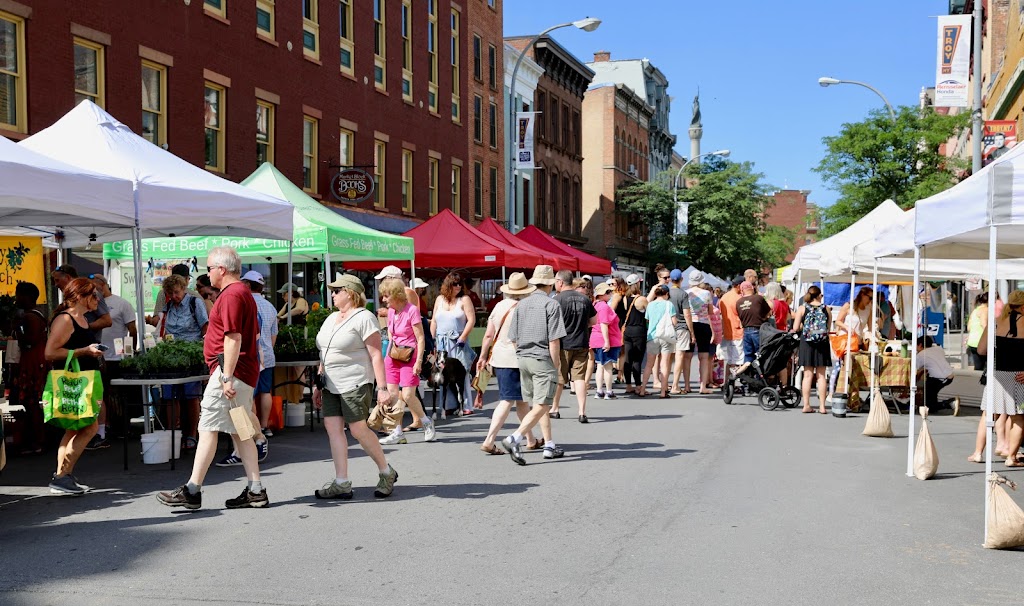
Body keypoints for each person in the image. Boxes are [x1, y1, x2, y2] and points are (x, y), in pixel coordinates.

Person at [158, 246, 268, 510]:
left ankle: (192, 490)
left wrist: (226, 376)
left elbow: (233, 337)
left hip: (229, 374)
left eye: (208, 268)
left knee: (207, 428)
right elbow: (248, 336)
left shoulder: (231, 295)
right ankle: (256, 490)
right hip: (240, 372)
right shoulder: (241, 293)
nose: (207, 273)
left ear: (221, 269)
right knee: (242, 433)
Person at [312, 274, 398, 499]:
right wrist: (318, 383)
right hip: (330, 382)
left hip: (355, 381)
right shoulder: (331, 318)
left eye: (336, 290)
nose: (332, 294)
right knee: (333, 428)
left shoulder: (364, 317)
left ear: (350, 293)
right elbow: (325, 350)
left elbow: (376, 354)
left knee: (358, 429)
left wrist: (382, 388)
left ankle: (386, 472)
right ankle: (342, 482)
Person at [500, 265, 567, 465]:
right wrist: (555, 365)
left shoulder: (521, 304)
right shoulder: (551, 305)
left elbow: (512, 337)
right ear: (550, 284)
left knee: (538, 404)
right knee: (543, 403)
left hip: (524, 359)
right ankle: (515, 438)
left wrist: (521, 353)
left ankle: (549, 445)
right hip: (542, 358)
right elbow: (554, 340)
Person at [44, 278, 105, 495]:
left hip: (82, 381)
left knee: (74, 428)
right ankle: (62, 476)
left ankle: (63, 476)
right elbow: (50, 353)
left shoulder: (82, 319)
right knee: (89, 427)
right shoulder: (66, 319)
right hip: (73, 381)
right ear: (80, 296)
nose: (98, 299)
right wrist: (84, 351)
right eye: (93, 295)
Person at [477, 273, 539, 454]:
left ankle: (531, 438)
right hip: (519, 358)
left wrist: (482, 356)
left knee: (520, 401)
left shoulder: (499, 306)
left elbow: (489, 334)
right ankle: (489, 440)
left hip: (500, 357)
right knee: (508, 400)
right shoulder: (526, 307)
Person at [378, 278, 436, 445]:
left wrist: (418, 361)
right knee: (393, 394)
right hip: (393, 356)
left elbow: (420, 338)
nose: (383, 299)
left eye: (386, 295)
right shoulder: (391, 312)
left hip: (410, 355)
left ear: (396, 295)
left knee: (409, 394)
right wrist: (388, 355)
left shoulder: (411, 310)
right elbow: (390, 334)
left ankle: (426, 422)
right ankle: (397, 432)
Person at [971, 290, 1024, 467]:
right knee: (1018, 417)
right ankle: (1011, 457)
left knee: (988, 414)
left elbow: (981, 350)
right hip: (1018, 376)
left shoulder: (994, 323)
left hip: (997, 374)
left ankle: (978, 453)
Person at [159, 274, 211, 453]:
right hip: (172, 355)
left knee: (191, 397)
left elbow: (205, 328)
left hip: (191, 355)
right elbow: (165, 330)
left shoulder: (194, 303)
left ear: (183, 289)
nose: (174, 296)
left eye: (176, 292)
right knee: (170, 396)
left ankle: (192, 434)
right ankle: (173, 434)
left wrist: (205, 353)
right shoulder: (168, 307)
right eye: (170, 293)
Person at [89, 274, 137, 448]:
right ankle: (105, 426)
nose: (92, 291)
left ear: (103, 285)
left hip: (117, 356)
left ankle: (122, 426)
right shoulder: (92, 304)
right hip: (99, 355)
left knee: (116, 393)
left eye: (94, 286)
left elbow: (132, 329)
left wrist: (130, 352)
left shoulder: (121, 303)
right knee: (103, 393)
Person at [551, 269, 596, 420]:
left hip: (563, 344)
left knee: (559, 379)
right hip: (581, 342)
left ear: (560, 282)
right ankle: (582, 412)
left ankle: (555, 408)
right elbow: (593, 321)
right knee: (579, 378)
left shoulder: (557, 300)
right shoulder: (584, 299)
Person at [430, 272, 476, 415]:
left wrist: (463, 337)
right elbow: (434, 321)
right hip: (442, 342)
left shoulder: (464, 299)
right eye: (455, 284)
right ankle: (448, 405)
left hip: (457, 340)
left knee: (461, 373)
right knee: (443, 373)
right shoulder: (440, 299)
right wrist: (432, 340)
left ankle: (466, 404)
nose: (458, 286)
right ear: (448, 285)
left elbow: (471, 320)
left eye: (459, 283)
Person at [10, 282, 48, 455]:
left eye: (18, 295)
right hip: (34, 361)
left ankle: (36, 441)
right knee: (30, 402)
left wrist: (16, 327)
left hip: (32, 363)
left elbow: (29, 341)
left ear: (27, 297)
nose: (16, 298)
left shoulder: (30, 317)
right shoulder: (36, 314)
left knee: (31, 402)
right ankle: (33, 439)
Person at [244, 271, 278, 437]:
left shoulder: (245, 303)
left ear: (248, 285)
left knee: (248, 394)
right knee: (265, 391)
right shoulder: (270, 307)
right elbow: (273, 335)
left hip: (251, 357)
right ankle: (265, 426)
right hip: (268, 356)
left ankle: (252, 431)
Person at [792, 285, 832, 414]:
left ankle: (806, 405)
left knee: (807, 375)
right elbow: (828, 328)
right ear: (819, 295)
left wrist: (806, 327)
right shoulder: (826, 308)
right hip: (822, 343)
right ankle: (822, 406)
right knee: (821, 376)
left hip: (807, 343)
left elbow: (796, 327)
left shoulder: (802, 308)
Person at [52, 264, 112, 340]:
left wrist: (82, 328)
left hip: (88, 345)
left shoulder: (91, 292)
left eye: (57, 280)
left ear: (67, 277)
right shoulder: (69, 297)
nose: (56, 285)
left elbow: (107, 321)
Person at [590, 282, 623, 406]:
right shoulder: (603, 307)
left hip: (596, 339)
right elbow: (604, 324)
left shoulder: (595, 305)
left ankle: (599, 391)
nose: (611, 294)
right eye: (608, 292)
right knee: (608, 367)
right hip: (605, 339)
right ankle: (608, 391)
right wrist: (607, 341)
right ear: (603, 294)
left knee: (600, 366)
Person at [643, 286, 676, 399]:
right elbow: (674, 321)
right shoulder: (669, 304)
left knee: (649, 364)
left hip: (652, 336)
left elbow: (647, 320)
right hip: (665, 336)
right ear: (666, 293)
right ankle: (663, 391)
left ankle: (642, 389)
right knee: (664, 364)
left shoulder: (650, 305)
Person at [684, 272, 715, 394]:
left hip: (690, 324)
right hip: (703, 325)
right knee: (704, 356)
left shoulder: (686, 293)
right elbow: (710, 311)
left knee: (687, 357)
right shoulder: (706, 293)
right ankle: (703, 386)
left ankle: (687, 386)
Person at [667, 269, 695, 395]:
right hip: (681, 328)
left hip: (668, 329)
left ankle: (664, 384)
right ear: (681, 279)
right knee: (679, 357)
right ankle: (675, 385)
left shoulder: (666, 293)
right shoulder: (683, 294)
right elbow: (687, 314)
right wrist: (692, 332)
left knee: (667, 358)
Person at [916, 336, 958, 415]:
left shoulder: (921, 355)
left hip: (939, 378)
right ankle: (935, 406)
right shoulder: (939, 349)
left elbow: (916, 369)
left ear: (920, 345)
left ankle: (950, 403)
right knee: (930, 393)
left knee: (928, 403)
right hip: (949, 375)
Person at [620, 276, 648, 396]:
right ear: (638, 284)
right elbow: (648, 315)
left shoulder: (625, 299)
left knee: (628, 358)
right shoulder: (642, 299)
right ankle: (638, 386)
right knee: (637, 360)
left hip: (627, 331)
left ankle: (628, 385)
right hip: (639, 331)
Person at [736, 281, 771, 372]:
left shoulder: (738, 302)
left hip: (746, 331)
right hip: (758, 330)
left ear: (742, 290)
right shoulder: (759, 298)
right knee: (760, 355)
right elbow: (768, 312)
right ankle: (759, 379)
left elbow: (740, 316)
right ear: (752, 288)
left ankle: (747, 380)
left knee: (748, 357)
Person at [718, 276, 745, 377]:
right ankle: (736, 382)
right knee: (739, 361)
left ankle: (727, 383)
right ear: (738, 286)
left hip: (728, 331)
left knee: (730, 361)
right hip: (738, 331)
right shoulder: (739, 299)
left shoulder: (724, 297)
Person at [609, 277, 630, 383]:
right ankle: (620, 374)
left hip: (616, 324)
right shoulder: (625, 295)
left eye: (612, 284)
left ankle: (618, 374)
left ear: (618, 285)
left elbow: (611, 310)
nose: (610, 286)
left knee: (619, 350)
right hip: (623, 324)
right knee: (622, 351)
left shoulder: (617, 295)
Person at [966, 292, 989, 371]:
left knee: (978, 367)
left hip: (972, 341)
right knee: (988, 367)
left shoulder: (975, 310)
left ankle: (977, 382)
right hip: (981, 341)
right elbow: (984, 325)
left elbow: (969, 327)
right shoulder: (985, 310)